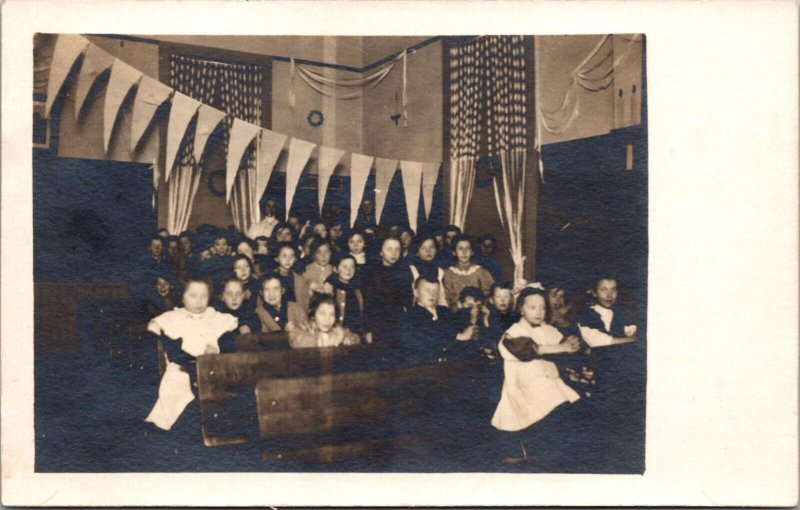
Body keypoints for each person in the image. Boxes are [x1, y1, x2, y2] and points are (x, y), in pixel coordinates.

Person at [145, 278, 237, 431]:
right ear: (182, 297)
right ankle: (181, 428)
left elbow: (228, 340)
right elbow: (172, 350)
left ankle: (217, 427)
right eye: (193, 296)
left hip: (214, 365)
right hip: (184, 367)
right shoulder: (174, 318)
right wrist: (196, 364)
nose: (199, 301)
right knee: (178, 383)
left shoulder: (214, 316)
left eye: (203, 296)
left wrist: (217, 352)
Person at [491, 287, 581, 433]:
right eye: (532, 307)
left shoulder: (548, 329)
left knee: (568, 404)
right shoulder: (513, 332)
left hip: (546, 379)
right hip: (524, 384)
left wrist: (571, 343)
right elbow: (528, 349)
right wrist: (561, 348)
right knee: (554, 403)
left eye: (542, 308)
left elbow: (562, 343)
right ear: (521, 309)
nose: (538, 312)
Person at [401, 277, 479, 365]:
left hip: (451, 366)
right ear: (416, 292)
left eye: (435, 291)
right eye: (427, 290)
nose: (432, 294)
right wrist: (458, 336)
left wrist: (472, 320)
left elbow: (463, 332)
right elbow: (427, 338)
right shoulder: (410, 316)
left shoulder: (445, 311)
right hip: (424, 368)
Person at [363, 237, 412, 351]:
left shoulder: (404, 272)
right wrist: (368, 330)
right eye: (389, 249)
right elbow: (368, 304)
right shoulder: (372, 273)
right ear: (381, 252)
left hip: (398, 325)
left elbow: (408, 302)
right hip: (378, 325)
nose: (393, 253)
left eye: (397, 249)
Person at [575, 276, 637, 348]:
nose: (609, 295)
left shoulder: (618, 312)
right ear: (594, 293)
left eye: (613, 289)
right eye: (603, 290)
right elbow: (603, 342)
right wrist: (634, 339)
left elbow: (632, 330)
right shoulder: (586, 315)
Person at [288, 293, 360, 349]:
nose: (327, 319)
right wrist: (324, 339)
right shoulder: (304, 328)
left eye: (332, 314)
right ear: (313, 315)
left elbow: (355, 338)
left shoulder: (336, 330)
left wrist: (349, 340)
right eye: (322, 314)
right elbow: (295, 338)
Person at [442, 234, 495, 310]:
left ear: (472, 252)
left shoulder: (480, 272)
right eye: (460, 248)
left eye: (468, 248)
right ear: (454, 252)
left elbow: (490, 294)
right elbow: (445, 298)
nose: (464, 252)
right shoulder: (448, 274)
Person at [325, 255, 365, 338]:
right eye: (344, 266)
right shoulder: (331, 288)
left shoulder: (358, 288)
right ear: (336, 269)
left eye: (352, 267)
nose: (348, 270)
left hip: (356, 334)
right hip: (336, 334)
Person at [407, 235, 447, 307]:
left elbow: (442, 298)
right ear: (417, 252)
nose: (428, 251)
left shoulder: (440, 271)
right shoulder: (411, 270)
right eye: (423, 248)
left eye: (431, 247)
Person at [272, 243, 308, 310]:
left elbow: (305, 305)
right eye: (284, 256)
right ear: (276, 258)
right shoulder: (269, 277)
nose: (288, 260)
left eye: (291, 256)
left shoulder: (300, 280)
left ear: (295, 259)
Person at [301, 237, 334, 301]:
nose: (323, 256)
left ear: (331, 253)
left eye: (326, 251)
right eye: (319, 252)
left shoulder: (334, 270)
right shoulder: (306, 271)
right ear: (313, 255)